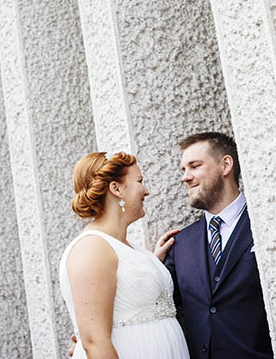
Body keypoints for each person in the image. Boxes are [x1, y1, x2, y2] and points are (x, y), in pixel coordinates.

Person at [59, 151, 190, 359]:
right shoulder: (91, 249)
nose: (145, 191)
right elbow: (95, 342)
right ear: (116, 188)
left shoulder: (128, 246)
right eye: (140, 181)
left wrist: (152, 265)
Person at [155, 132, 273, 358]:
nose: (185, 177)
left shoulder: (263, 225)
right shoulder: (180, 243)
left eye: (194, 166)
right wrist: (153, 267)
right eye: (183, 169)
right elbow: (156, 308)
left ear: (225, 165)